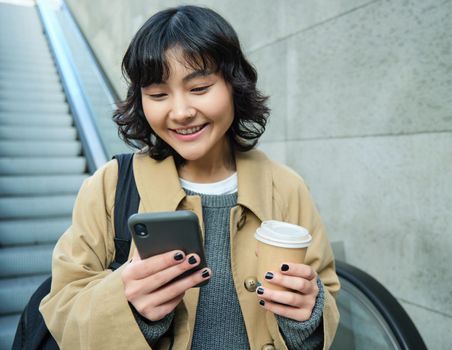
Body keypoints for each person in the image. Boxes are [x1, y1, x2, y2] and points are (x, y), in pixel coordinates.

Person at [40, 5, 340, 350]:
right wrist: (130, 306)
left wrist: (307, 315)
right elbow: (61, 308)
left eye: (199, 88)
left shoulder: (286, 187)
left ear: (233, 86)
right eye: (158, 95)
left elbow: (326, 293)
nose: (181, 112)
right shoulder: (110, 186)